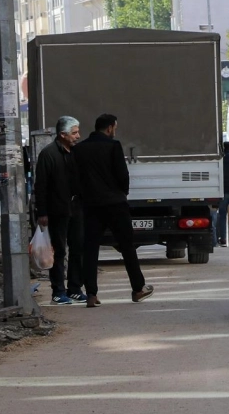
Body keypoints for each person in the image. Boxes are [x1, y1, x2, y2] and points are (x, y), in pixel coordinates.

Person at [73, 113, 152, 304]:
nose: (114, 131)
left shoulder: (80, 149)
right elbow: (122, 175)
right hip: (115, 203)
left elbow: (75, 177)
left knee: (90, 248)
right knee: (127, 246)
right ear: (109, 128)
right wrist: (122, 193)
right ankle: (138, 288)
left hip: (91, 205)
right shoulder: (113, 146)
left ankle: (91, 293)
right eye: (114, 128)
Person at [33, 118, 85, 305]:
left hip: (76, 208)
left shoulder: (77, 153)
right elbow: (41, 186)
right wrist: (42, 212)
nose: (78, 136)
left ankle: (75, 288)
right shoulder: (48, 155)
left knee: (78, 247)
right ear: (62, 135)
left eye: (78, 132)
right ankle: (58, 291)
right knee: (59, 251)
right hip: (57, 210)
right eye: (74, 133)